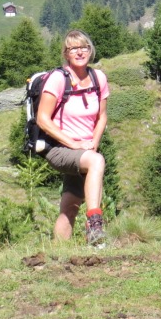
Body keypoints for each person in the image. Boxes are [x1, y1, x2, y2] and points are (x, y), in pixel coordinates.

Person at [36, 29, 110, 246]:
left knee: (70, 204)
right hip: (59, 148)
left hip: (86, 149)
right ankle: (95, 225)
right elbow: (42, 119)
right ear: (66, 54)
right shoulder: (58, 79)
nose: (79, 52)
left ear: (90, 50)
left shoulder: (98, 78)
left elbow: (102, 116)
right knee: (96, 162)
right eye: (73, 48)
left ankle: (59, 253)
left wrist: (94, 142)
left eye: (84, 47)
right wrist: (74, 144)